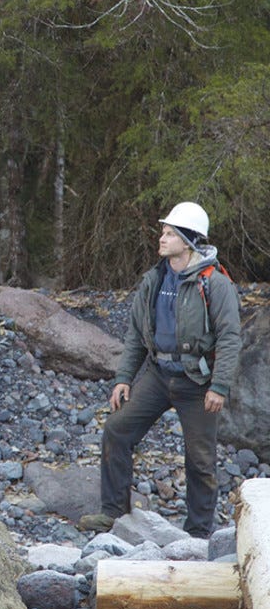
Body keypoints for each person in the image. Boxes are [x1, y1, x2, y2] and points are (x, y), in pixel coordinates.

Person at [78, 202, 241, 538]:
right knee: (117, 430)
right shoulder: (154, 279)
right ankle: (113, 515)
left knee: (201, 460)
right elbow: (138, 335)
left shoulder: (215, 283)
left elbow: (229, 338)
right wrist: (124, 378)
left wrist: (220, 386)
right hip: (157, 374)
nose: (162, 238)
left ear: (189, 240)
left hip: (198, 382)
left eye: (170, 233)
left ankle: (197, 534)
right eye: (163, 232)